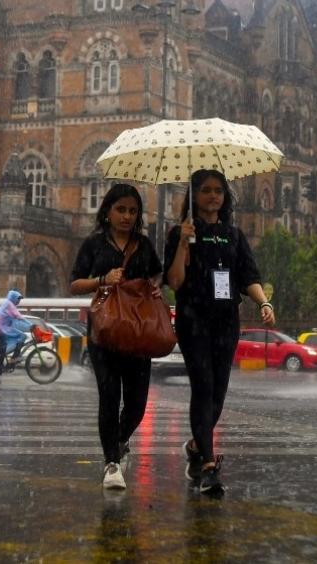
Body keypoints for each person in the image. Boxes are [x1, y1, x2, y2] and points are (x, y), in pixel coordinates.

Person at [164, 169, 275, 495]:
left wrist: (264, 303)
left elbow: (248, 276)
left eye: (219, 191)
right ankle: (209, 466)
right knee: (203, 386)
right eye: (206, 190)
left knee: (218, 392)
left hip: (226, 320)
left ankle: (197, 447)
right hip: (193, 318)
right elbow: (174, 282)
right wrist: (183, 243)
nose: (213, 196)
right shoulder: (180, 233)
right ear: (194, 195)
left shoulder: (234, 235)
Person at [70, 183, 163, 491]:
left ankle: (120, 439)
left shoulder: (144, 245)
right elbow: (75, 284)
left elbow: (156, 276)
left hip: (137, 334)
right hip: (105, 333)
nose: (126, 216)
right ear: (107, 211)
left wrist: (154, 287)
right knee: (109, 397)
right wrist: (102, 280)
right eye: (121, 210)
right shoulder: (94, 245)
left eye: (132, 211)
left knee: (136, 404)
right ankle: (111, 462)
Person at [0, 289, 29, 384]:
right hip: (1, 329)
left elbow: (16, 320)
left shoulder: (8, 304)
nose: (19, 301)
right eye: (18, 299)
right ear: (13, 298)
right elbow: (19, 317)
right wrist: (31, 325)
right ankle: (12, 361)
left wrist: (27, 325)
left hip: (3, 328)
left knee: (21, 337)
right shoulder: (9, 305)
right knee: (21, 337)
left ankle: (12, 360)